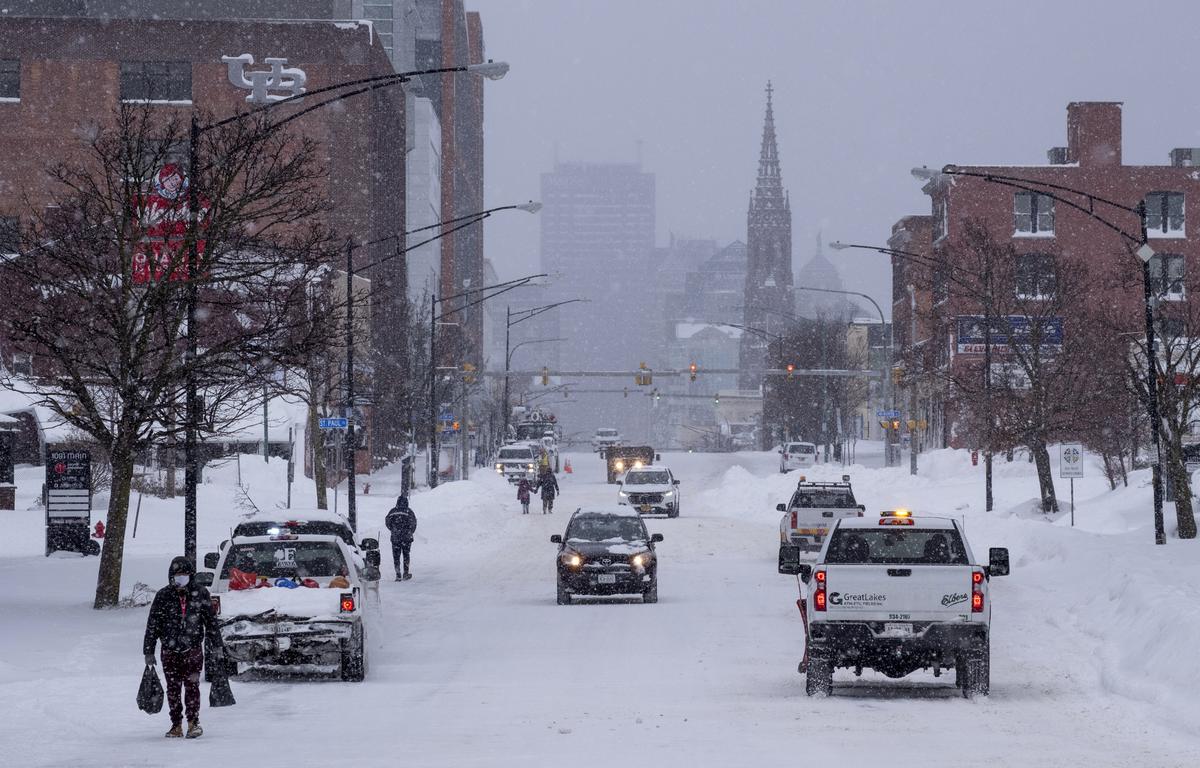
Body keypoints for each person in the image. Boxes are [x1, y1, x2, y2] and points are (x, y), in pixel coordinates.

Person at [143, 556, 223, 739]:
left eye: (184, 574)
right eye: (177, 574)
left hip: (192, 649)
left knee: (192, 686)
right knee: (173, 687)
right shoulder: (163, 596)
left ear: (190, 575)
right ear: (171, 575)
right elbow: (153, 624)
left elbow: (211, 622)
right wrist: (148, 650)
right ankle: (176, 724)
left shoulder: (201, 593)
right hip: (170, 651)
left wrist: (217, 645)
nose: (180, 577)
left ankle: (193, 722)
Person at [385, 495, 418, 580]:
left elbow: (387, 522)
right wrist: (409, 531)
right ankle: (406, 573)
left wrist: (393, 529)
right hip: (406, 538)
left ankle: (398, 573)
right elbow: (414, 523)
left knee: (396, 556)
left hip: (395, 538)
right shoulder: (409, 511)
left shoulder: (393, 511)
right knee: (406, 555)